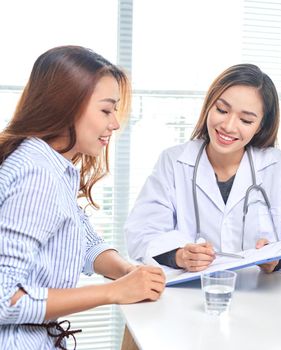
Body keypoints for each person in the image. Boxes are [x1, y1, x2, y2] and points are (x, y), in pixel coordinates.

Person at [0, 46, 166, 350]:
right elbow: (4, 300)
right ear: (66, 106)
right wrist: (114, 292)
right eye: (106, 110)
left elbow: (84, 240)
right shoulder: (36, 175)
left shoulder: (51, 164)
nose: (115, 124)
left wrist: (128, 272)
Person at [125, 63, 281, 274]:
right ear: (209, 105)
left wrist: (278, 258)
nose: (229, 126)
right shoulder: (174, 161)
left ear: (260, 125)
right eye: (222, 110)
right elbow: (141, 232)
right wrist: (179, 255)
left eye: (246, 120)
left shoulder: (277, 166)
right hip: (193, 295)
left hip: (264, 296)